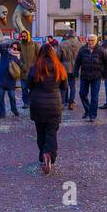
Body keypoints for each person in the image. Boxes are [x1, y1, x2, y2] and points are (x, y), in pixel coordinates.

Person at [26, 42, 68, 174]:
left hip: (37, 104)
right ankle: (49, 154)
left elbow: (29, 85)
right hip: (54, 105)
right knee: (51, 132)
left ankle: (42, 155)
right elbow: (64, 87)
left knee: (40, 131)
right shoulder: (59, 67)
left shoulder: (35, 68)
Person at [72, 33, 107, 122]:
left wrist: (106, 75)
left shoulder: (102, 50)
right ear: (87, 40)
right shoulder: (83, 50)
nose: (90, 42)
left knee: (94, 96)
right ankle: (88, 110)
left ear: (96, 41)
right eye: (89, 40)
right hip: (85, 76)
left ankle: (92, 115)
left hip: (96, 76)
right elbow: (77, 62)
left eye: (92, 40)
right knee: (82, 94)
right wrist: (76, 72)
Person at [0, 41, 23, 118]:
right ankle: (2, 113)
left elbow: (20, 68)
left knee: (12, 97)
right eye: (12, 47)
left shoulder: (18, 58)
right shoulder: (5, 52)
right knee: (0, 97)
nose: (12, 49)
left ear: (18, 50)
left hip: (11, 80)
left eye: (15, 48)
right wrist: (9, 44)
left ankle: (14, 110)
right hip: (1, 79)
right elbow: (0, 46)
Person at [57, 29, 82, 110]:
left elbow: (58, 57)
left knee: (64, 85)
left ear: (67, 35)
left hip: (64, 67)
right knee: (73, 85)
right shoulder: (79, 44)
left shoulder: (62, 43)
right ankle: (71, 103)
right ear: (74, 35)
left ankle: (63, 102)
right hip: (75, 67)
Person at [18, 30, 38, 108]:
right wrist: (21, 64)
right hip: (23, 70)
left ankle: (31, 101)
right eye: (22, 36)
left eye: (24, 36)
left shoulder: (34, 44)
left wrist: (36, 66)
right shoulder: (20, 45)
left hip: (32, 71)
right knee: (24, 88)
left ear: (28, 35)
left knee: (32, 88)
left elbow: (39, 55)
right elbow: (15, 55)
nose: (23, 37)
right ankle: (26, 102)